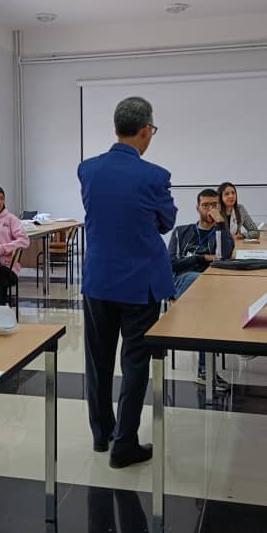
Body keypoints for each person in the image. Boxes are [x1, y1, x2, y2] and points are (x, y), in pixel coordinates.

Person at [78, 96, 176, 468]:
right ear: (146, 130)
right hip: (140, 284)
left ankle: (101, 433)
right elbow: (166, 222)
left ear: (116, 128)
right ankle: (124, 444)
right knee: (135, 364)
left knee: (98, 361)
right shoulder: (155, 176)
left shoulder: (87, 169)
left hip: (99, 281)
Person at [169, 189, 234, 390]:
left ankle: (205, 369)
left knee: (209, 305)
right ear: (197, 208)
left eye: (214, 205)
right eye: (205, 205)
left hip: (210, 289)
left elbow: (223, 257)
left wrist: (221, 225)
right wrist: (202, 258)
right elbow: (171, 263)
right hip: (182, 282)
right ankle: (207, 368)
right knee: (203, 285)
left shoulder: (222, 233)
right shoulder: (181, 232)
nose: (210, 209)